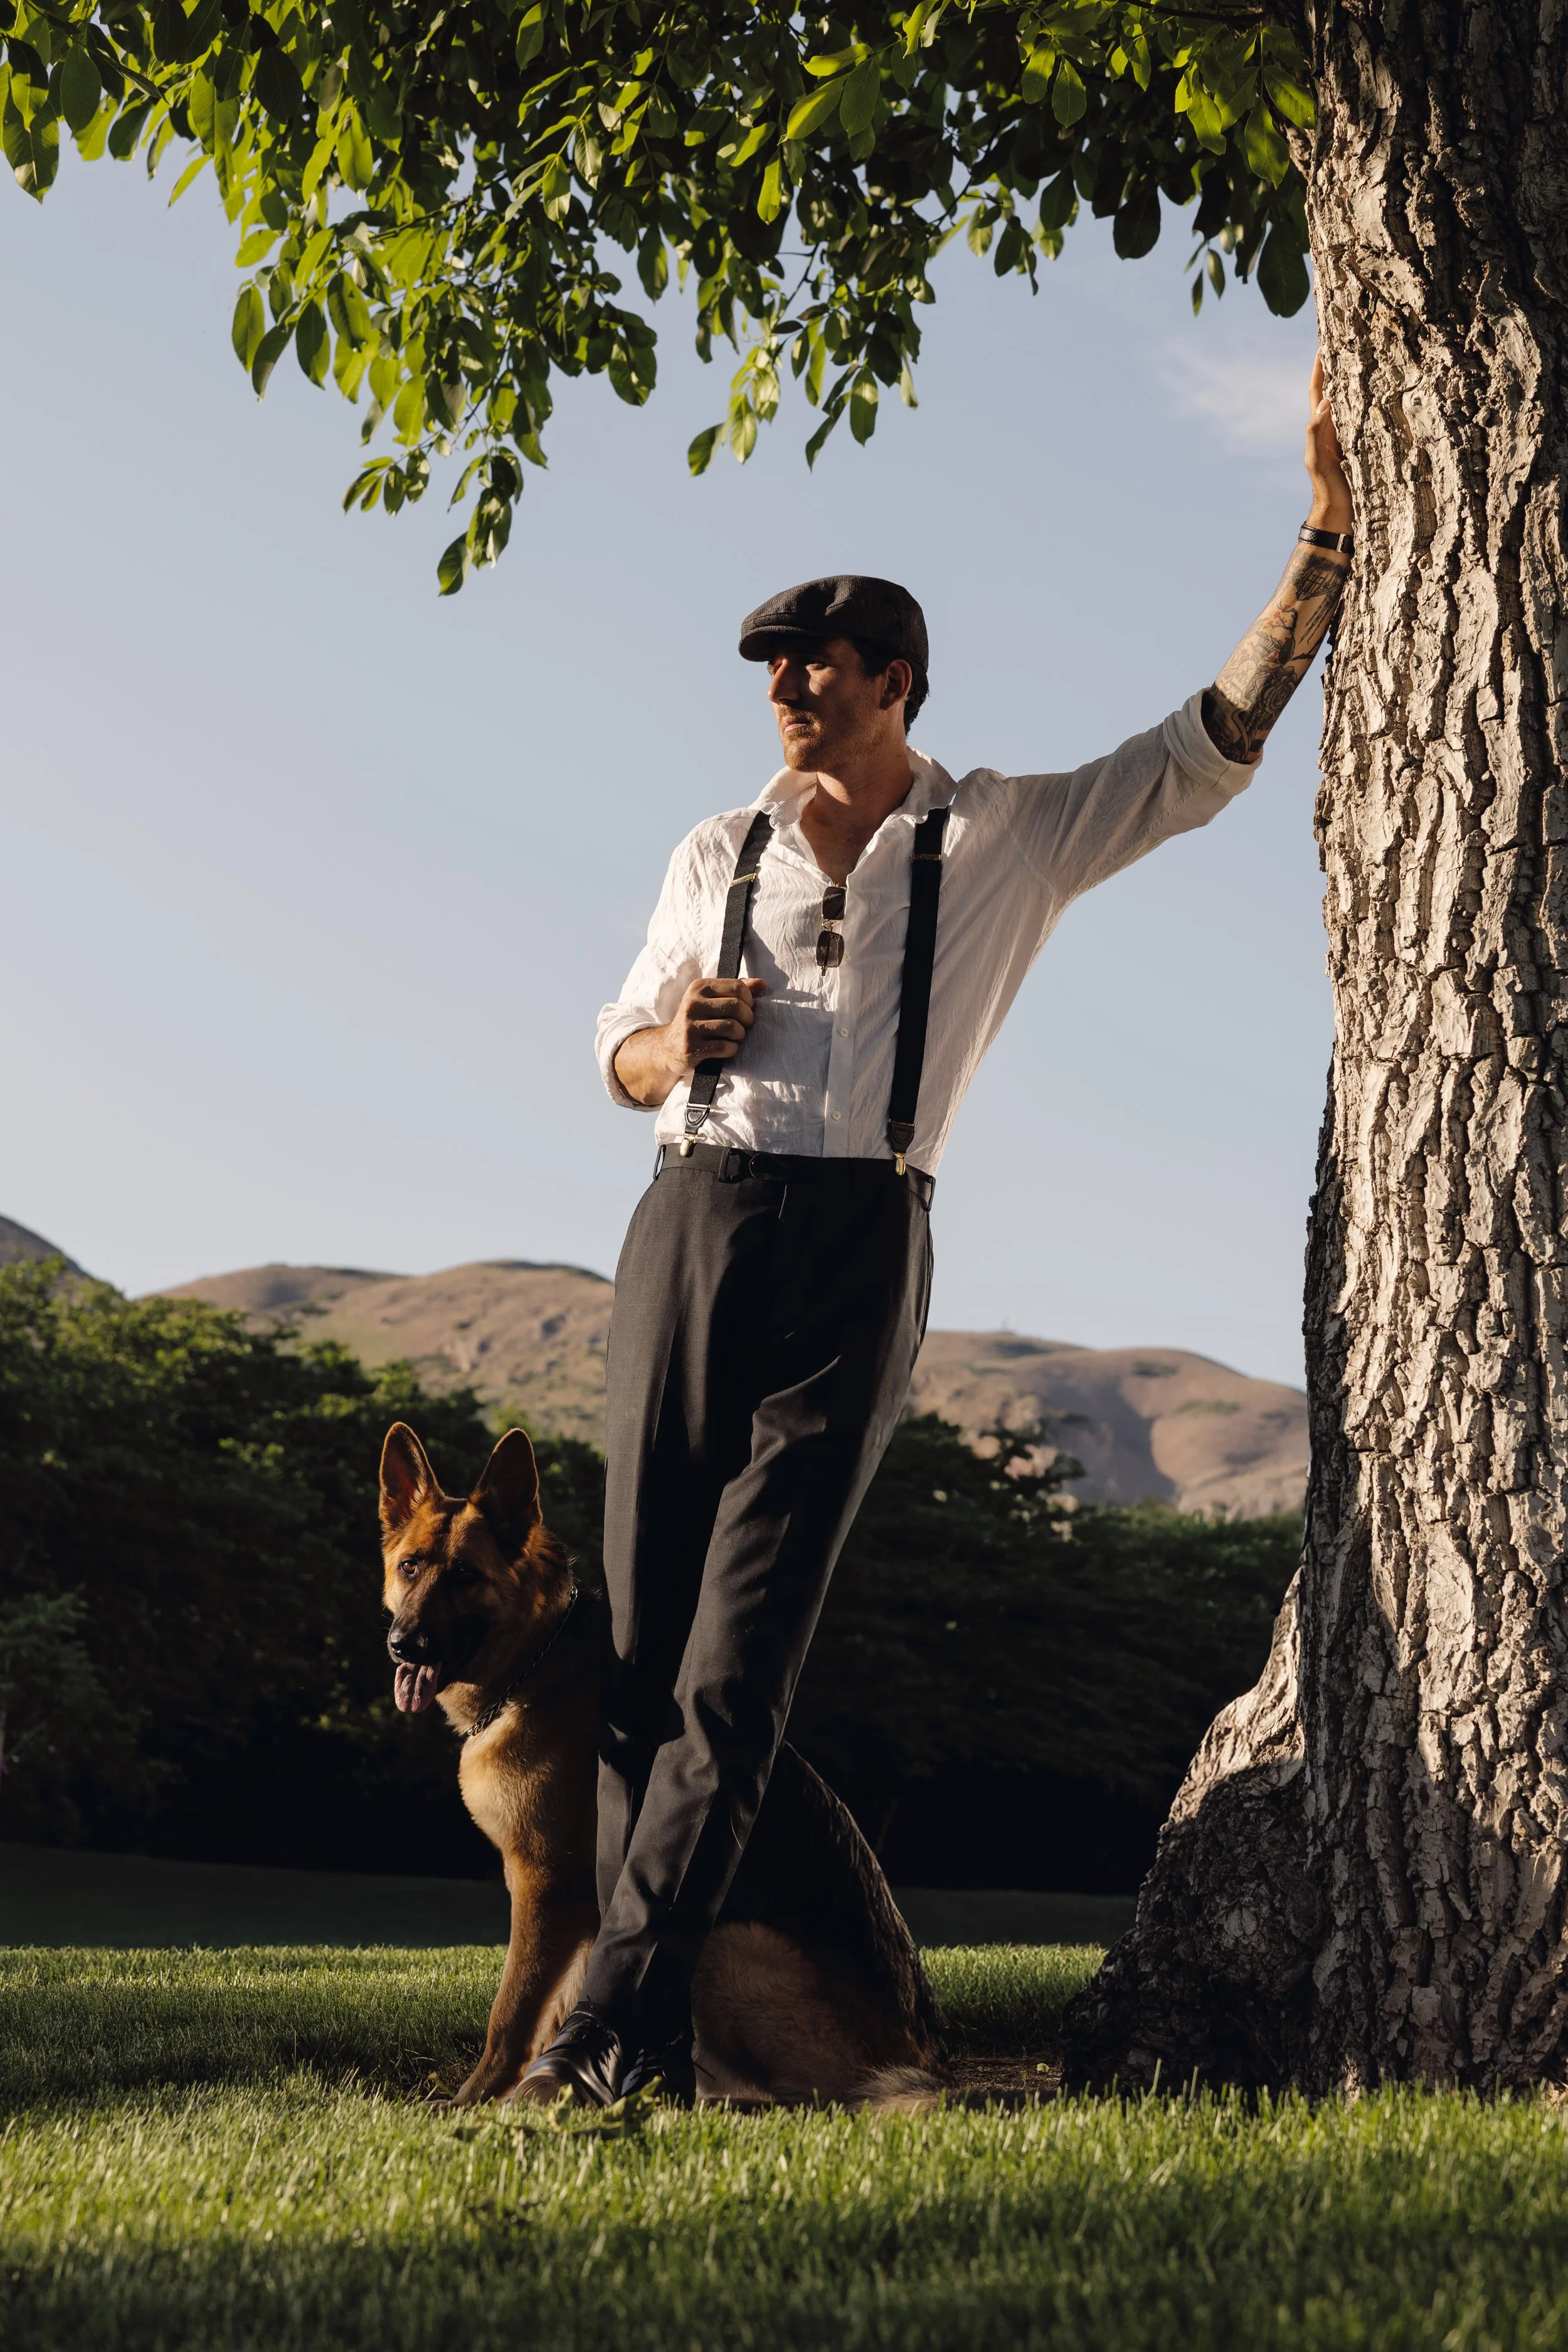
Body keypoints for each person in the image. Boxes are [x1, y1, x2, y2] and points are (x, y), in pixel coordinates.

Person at [517, 356, 1354, 2105]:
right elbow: (614, 1046)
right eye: (766, 663)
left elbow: (1205, 748)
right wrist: (678, 1043)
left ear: (894, 681)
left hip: (859, 1251)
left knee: (736, 1671)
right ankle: (671, 2021)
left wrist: (1322, 543)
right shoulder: (713, 845)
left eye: (810, 660)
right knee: (638, 1668)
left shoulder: (1008, 836)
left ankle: (607, 2040)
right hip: (687, 1224)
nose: (779, 686)